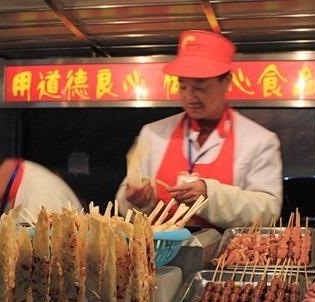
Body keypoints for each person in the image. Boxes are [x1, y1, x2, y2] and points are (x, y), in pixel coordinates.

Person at [116, 30, 283, 229]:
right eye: (183, 86)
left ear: (227, 82)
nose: (189, 97)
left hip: (226, 256)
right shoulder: (152, 134)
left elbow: (268, 211)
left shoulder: (259, 140)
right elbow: (123, 201)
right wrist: (137, 201)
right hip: (159, 254)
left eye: (200, 87)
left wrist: (210, 196)